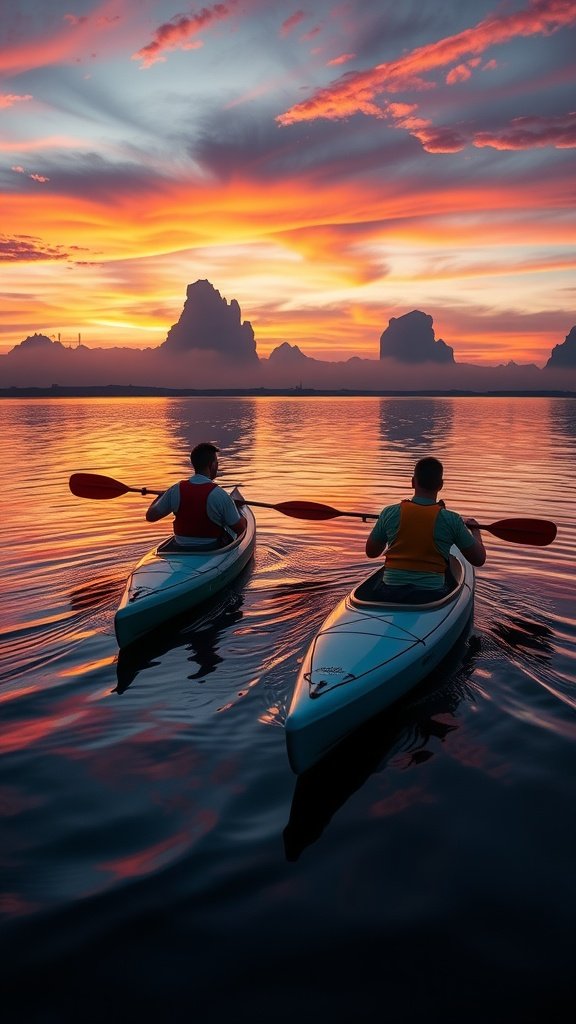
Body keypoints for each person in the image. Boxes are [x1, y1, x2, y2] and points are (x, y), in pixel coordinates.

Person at [365, 456, 486, 601]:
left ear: (412, 482)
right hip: (431, 595)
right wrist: (475, 531)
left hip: (389, 592)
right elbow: (479, 559)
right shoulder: (452, 520)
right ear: (440, 485)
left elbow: (371, 552)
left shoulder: (389, 512)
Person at [145, 442, 247, 548]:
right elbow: (241, 529)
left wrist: (160, 497)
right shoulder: (220, 495)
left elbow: (150, 516)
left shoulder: (175, 490)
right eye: (217, 463)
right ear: (212, 465)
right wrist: (237, 511)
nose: (217, 466)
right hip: (211, 549)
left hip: (180, 547)